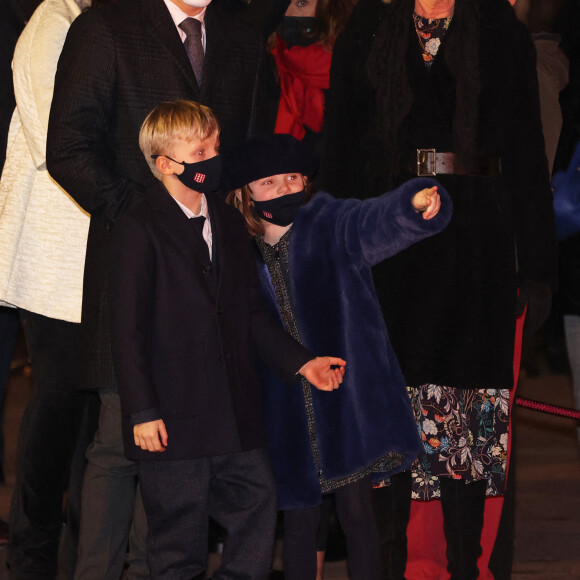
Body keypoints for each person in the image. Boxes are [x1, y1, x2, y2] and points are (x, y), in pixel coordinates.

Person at [320, 0, 557, 578]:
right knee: (389, 416)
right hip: (387, 246)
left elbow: (527, 156)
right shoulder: (365, 33)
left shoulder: (501, 32)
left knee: (467, 420)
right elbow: (339, 156)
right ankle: (385, 567)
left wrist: (541, 267)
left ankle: (464, 565)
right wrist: (333, 257)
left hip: (478, 248)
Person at [46, 0, 273, 576]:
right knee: (120, 440)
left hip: (217, 273)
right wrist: (148, 219)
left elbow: (247, 144)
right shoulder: (107, 25)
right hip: (136, 263)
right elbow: (69, 147)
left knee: (187, 448)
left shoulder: (243, 30)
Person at [108, 99, 345, 579]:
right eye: (199, 150)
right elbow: (125, 328)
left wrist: (301, 362)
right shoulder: (138, 228)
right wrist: (141, 412)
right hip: (172, 419)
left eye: (215, 146)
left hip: (235, 416)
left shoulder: (231, 222)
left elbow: (251, 312)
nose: (212, 158)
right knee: (178, 543)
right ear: (165, 164)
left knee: (258, 508)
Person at [225, 133, 452, 579]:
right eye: (268, 182)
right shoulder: (240, 253)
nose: (283, 189)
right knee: (299, 521)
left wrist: (411, 204)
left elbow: (373, 220)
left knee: (357, 514)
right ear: (245, 193)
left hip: (347, 405)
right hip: (283, 412)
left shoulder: (330, 224)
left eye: (291, 178)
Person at [0, 0, 107, 577]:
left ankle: (81, 560)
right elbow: (53, 138)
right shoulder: (52, 22)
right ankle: (31, 560)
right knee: (59, 403)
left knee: (90, 414)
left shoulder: (103, 19)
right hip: (53, 253)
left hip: (92, 250)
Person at [267, 0, 356, 148]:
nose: (287, 14)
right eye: (281, 3)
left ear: (327, 5)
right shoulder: (266, 62)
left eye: (301, 3)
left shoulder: (354, 65)